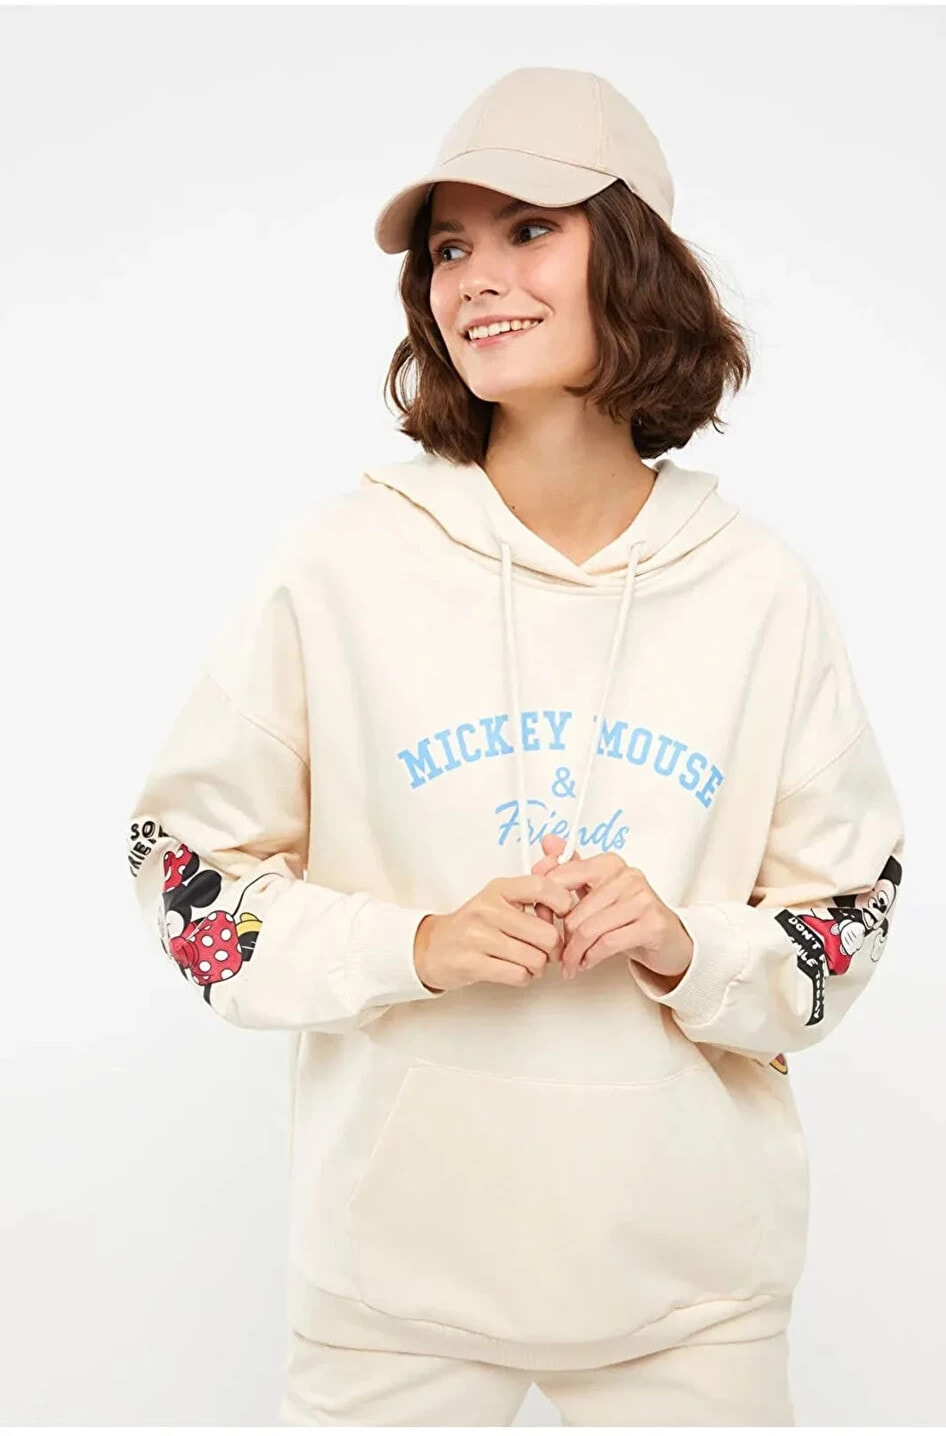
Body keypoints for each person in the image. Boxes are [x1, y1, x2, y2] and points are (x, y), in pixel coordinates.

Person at [125, 66, 905, 1427]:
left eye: (530, 228)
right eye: (448, 248)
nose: (475, 278)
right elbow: (180, 873)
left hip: (691, 1293)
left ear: (636, 256)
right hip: (390, 1288)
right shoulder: (341, 564)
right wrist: (412, 947)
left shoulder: (758, 590)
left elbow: (849, 918)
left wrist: (686, 944)